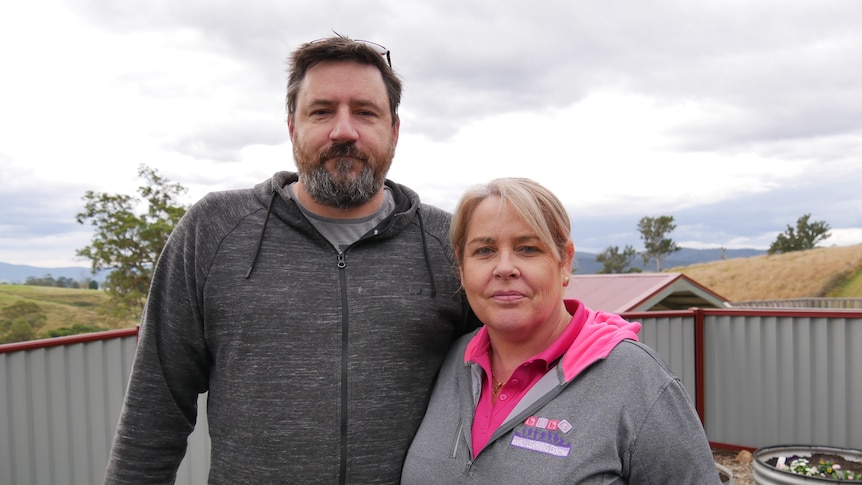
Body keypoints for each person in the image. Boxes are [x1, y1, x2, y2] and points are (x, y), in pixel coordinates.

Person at [105, 35, 475, 484]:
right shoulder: (214, 229)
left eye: (365, 111)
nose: (343, 130)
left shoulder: (452, 244)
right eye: (321, 111)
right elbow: (155, 409)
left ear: (394, 130)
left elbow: (508, 385)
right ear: (291, 126)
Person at [401, 178, 721, 484]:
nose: (505, 267)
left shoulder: (636, 379)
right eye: (484, 251)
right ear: (461, 266)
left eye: (527, 248)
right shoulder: (451, 360)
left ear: (564, 262)